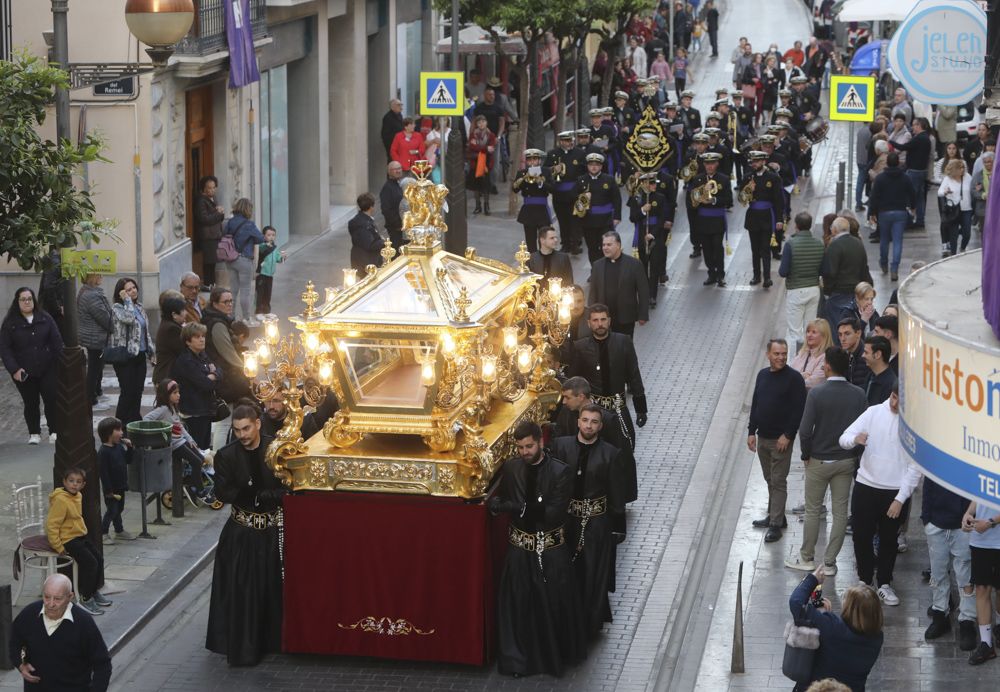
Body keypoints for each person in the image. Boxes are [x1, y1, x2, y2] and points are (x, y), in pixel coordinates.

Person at [488, 421, 584, 677]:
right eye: (520, 447)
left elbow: (554, 513)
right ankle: (519, 661)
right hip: (519, 552)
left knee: (550, 605)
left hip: (549, 552)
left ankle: (552, 657)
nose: (524, 452)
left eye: (529, 446)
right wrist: (503, 504)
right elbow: (504, 499)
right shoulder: (511, 468)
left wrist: (515, 507)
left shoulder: (560, 472)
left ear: (540, 441)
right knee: (519, 606)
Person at [206, 402, 286, 666]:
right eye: (237, 430)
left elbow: (289, 487)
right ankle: (245, 647)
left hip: (274, 532)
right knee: (244, 592)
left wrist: (263, 496)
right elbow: (222, 492)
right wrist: (255, 496)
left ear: (258, 424)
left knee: (272, 588)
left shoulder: (276, 448)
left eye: (246, 428)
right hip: (243, 534)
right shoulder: (227, 456)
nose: (242, 434)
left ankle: (273, 641)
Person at [786, 348, 868, 575]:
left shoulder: (816, 394)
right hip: (845, 460)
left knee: (813, 510)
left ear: (828, 366)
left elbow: (805, 430)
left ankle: (807, 557)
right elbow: (864, 428)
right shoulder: (859, 394)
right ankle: (830, 563)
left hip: (819, 460)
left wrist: (805, 454)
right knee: (840, 512)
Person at [840, 385, 920, 606]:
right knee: (861, 536)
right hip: (866, 485)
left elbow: (915, 467)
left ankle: (884, 583)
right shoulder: (874, 412)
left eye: (900, 400)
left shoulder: (914, 424)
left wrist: (900, 498)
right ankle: (864, 581)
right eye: (893, 397)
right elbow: (844, 437)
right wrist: (856, 439)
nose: (895, 404)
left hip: (893, 491)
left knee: (888, 539)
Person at [551, 404, 624, 636]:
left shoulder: (610, 454)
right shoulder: (561, 447)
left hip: (596, 523)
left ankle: (590, 622)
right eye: (585, 420)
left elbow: (616, 493)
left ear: (600, 426)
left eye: (594, 422)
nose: (588, 425)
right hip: (567, 520)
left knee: (593, 572)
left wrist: (617, 527)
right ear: (578, 422)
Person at [8, 574, 111, 691]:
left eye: (57, 599)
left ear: (70, 597)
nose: (51, 604)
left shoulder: (83, 622)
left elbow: (102, 664)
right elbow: (14, 642)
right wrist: (20, 665)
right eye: (47, 597)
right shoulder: (29, 615)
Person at [747, 338, 806, 542]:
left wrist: (788, 435)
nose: (781, 357)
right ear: (768, 355)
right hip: (762, 438)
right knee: (769, 478)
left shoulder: (794, 379)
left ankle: (775, 525)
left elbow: (799, 409)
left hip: (780, 440)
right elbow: (756, 403)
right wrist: (751, 431)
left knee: (778, 480)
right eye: (777, 354)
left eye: (784, 354)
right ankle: (776, 516)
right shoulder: (762, 375)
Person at [788, 566, 884, 691]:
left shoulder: (831, 626)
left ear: (850, 608)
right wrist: (826, 617)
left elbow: (796, 603)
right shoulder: (877, 638)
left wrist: (812, 579)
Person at [567, 304, 647, 454]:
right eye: (595, 320)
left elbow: (634, 375)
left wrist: (641, 409)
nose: (600, 324)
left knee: (626, 448)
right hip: (591, 411)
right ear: (589, 323)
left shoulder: (623, 342)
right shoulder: (580, 347)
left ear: (609, 321)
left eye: (603, 319)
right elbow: (574, 380)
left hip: (618, 408)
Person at [922, 475, 979, 649]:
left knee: (965, 576)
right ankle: (940, 615)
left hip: (963, 525)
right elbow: (928, 485)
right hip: (936, 523)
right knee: (938, 573)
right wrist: (927, 519)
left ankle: (967, 621)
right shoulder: (936, 458)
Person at [46, 467, 112, 615]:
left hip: (79, 535)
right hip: (68, 539)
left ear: (83, 485)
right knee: (90, 563)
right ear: (64, 481)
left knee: (99, 559)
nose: (74, 484)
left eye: (78, 482)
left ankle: (93, 592)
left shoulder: (78, 495)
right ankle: (85, 598)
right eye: (71, 481)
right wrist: (58, 545)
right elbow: (52, 524)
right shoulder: (61, 500)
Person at [1, 287, 62, 445]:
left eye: (29, 298)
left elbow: (56, 341)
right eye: (23, 299)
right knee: (31, 402)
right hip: (24, 370)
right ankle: (34, 432)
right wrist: (14, 369)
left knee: (51, 399)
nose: (27, 302)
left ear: (34, 300)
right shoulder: (10, 323)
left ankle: (54, 430)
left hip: (47, 368)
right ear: (18, 301)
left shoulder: (45, 318)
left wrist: (58, 363)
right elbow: (5, 349)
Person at [145, 378, 213, 504]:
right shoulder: (163, 409)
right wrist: (162, 431)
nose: (178, 395)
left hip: (181, 441)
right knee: (196, 461)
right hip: (175, 445)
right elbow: (146, 419)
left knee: (200, 458)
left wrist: (190, 439)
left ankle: (192, 481)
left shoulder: (172, 407)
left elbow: (180, 427)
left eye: (178, 392)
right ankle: (198, 490)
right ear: (166, 395)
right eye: (175, 393)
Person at [108, 277, 153, 427]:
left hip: (139, 355)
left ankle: (134, 423)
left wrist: (151, 352)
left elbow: (146, 332)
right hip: (125, 356)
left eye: (134, 288)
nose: (133, 291)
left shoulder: (139, 307)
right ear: (121, 293)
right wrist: (126, 300)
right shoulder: (117, 308)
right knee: (127, 392)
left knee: (137, 392)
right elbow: (128, 318)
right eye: (128, 290)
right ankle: (119, 425)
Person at [588, 231, 649, 337]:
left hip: (626, 318)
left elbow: (643, 291)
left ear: (618, 245)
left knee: (624, 348)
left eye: (609, 245)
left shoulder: (634, 264)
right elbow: (593, 292)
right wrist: (590, 315)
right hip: (603, 319)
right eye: (603, 245)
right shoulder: (597, 266)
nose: (605, 248)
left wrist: (643, 314)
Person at [961, 500, 1000, 664]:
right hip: (980, 540)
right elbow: (978, 494)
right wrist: (968, 514)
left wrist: (991, 522)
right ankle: (986, 643)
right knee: (982, 589)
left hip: (993, 534)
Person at [171, 322, 221, 449]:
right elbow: (205, 384)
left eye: (203, 336)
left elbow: (220, 371)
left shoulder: (202, 355)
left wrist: (213, 374)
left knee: (204, 446)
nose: (202, 339)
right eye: (197, 337)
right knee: (197, 447)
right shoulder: (186, 360)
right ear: (188, 342)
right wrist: (212, 374)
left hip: (205, 408)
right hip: (194, 410)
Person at [779, 211, 824, 351]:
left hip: (796, 290)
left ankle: (794, 364)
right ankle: (809, 361)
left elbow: (783, 272)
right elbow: (823, 270)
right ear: (810, 226)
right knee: (810, 330)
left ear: (796, 225)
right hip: (814, 290)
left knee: (795, 332)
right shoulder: (819, 244)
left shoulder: (790, 244)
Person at [821, 217, 873, 334]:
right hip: (856, 292)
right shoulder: (858, 243)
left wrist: (827, 291)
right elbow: (864, 267)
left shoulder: (834, 246)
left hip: (838, 293)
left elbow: (830, 272)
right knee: (853, 327)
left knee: (837, 328)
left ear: (834, 230)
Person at [741, 150, 785, 287]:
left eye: (757, 161)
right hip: (753, 216)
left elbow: (779, 200)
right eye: (753, 161)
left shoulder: (773, 177)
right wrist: (748, 191)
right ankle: (756, 276)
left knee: (765, 249)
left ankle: (767, 277)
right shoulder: (748, 177)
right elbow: (741, 200)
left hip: (767, 216)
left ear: (763, 162)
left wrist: (779, 219)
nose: (754, 164)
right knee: (755, 250)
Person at [628, 173, 673, 307]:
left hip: (656, 236)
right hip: (641, 235)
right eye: (651, 183)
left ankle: (653, 296)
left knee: (654, 267)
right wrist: (642, 210)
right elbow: (632, 218)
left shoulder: (660, 197)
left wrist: (653, 234)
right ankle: (644, 294)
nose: (654, 185)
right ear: (643, 184)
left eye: (655, 183)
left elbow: (662, 218)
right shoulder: (636, 198)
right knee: (643, 267)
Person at [690, 152, 734, 287]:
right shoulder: (698, 179)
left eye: (712, 163)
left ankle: (720, 275)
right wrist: (704, 190)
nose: (709, 166)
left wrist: (714, 200)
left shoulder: (724, 179)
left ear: (717, 164)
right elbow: (693, 199)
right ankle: (711, 274)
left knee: (717, 247)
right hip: (703, 220)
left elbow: (729, 200)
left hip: (717, 219)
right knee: (707, 249)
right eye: (707, 164)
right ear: (704, 164)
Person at [201, 287, 250, 404]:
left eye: (231, 301)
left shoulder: (220, 319)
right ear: (215, 304)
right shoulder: (217, 324)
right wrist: (248, 372)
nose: (230, 304)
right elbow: (228, 353)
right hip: (225, 376)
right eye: (225, 302)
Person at [221, 198, 265, 325]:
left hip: (230, 259)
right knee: (245, 291)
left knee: (233, 290)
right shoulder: (249, 224)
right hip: (244, 259)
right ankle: (246, 318)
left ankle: (231, 317)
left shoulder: (229, 222)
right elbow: (260, 238)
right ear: (248, 209)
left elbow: (224, 235)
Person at [575, 153, 622, 264]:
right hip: (588, 220)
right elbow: (574, 199)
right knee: (592, 248)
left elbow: (617, 199)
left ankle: (607, 270)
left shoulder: (609, 179)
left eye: (597, 164)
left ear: (601, 166)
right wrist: (583, 199)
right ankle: (595, 271)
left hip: (605, 220)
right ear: (587, 166)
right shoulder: (581, 180)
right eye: (591, 164)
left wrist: (617, 216)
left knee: (605, 247)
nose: (594, 167)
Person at [96, 416, 136, 544]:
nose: (122, 432)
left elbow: (128, 460)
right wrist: (108, 490)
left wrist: (130, 448)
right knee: (112, 510)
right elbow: (103, 473)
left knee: (119, 509)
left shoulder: (119, 447)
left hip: (121, 485)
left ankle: (119, 530)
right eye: (118, 430)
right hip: (111, 489)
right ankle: (103, 533)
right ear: (108, 433)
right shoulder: (103, 452)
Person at [546, 131, 586, 255]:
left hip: (574, 192)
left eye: (570, 141)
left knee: (574, 219)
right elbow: (545, 170)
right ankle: (565, 244)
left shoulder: (580, 153)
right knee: (562, 220)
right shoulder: (553, 154)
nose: (569, 143)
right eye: (566, 141)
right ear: (560, 142)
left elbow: (584, 171)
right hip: (559, 193)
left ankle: (575, 244)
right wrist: (553, 169)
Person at [77, 274, 112, 408]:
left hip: (93, 335)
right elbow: (104, 317)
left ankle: (97, 391)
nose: (102, 277)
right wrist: (113, 327)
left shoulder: (87, 291)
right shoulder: (92, 295)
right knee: (94, 367)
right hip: (95, 336)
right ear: (94, 277)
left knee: (97, 365)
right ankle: (91, 398)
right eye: (99, 275)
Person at [513, 148, 553, 250]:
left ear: (539, 160)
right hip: (528, 211)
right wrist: (522, 180)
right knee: (530, 241)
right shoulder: (522, 173)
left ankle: (545, 262)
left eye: (535, 159)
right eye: (529, 160)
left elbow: (553, 189)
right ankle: (533, 262)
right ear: (526, 161)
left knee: (544, 240)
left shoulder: (546, 171)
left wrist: (540, 182)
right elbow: (515, 189)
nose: (532, 162)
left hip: (542, 210)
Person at [261, 389, 338, 440]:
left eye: (276, 401)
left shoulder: (304, 421)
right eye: (267, 401)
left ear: (286, 401)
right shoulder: (261, 423)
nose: (271, 406)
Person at [938, 158, 974, 257]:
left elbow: (973, 188)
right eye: (959, 168)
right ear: (954, 169)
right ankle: (953, 255)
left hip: (966, 209)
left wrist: (976, 188)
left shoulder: (968, 177)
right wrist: (945, 192)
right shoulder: (947, 179)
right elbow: (940, 192)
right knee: (953, 236)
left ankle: (962, 247)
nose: (962, 169)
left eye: (963, 167)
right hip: (952, 210)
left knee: (967, 233)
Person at [194, 175, 225, 287]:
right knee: (208, 262)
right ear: (204, 188)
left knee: (213, 262)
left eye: (213, 187)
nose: (211, 190)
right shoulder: (201, 201)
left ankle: (212, 283)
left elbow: (218, 217)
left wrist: (221, 213)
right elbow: (204, 219)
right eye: (209, 188)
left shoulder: (213, 199)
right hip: (208, 236)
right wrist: (218, 213)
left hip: (215, 235)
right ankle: (208, 284)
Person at [467, 115, 497, 215]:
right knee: (476, 186)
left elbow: (491, 148)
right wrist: (485, 148)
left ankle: (486, 206)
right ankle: (477, 206)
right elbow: (472, 147)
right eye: (479, 122)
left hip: (487, 163)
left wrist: (479, 147)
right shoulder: (473, 134)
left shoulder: (491, 135)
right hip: (475, 163)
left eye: (483, 121)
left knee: (486, 186)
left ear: (486, 122)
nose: (481, 124)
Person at [153, 294, 186, 386]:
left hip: (166, 377)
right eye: (183, 310)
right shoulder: (172, 329)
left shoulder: (168, 324)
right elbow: (184, 351)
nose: (185, 313)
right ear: (174, 314)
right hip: (167, 377)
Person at [348, 192, 386, 272]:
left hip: (361, 260)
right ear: (371, 207)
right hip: (367, 262)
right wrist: (383, 242)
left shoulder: (358, 221)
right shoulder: (364, 224)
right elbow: (370, 245)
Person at [791, 319, 833, 391]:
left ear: (824, 336)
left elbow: (815, 382)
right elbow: (789, 374)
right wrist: (804, 375)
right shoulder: (802, 353)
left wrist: (796, 377)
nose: (809, 335)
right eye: (808, 331)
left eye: (814, 332)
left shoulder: (826, 357)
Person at [254, 225, 285, 318]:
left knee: (268, 293)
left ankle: (266, 311)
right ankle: (258, 311)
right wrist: (266, 245)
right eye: (269, 235)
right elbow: (261, 250)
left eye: (273, 235)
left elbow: (278, 259)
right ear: (264, 236)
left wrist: (282, 257)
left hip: (270, 274)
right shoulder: (261, 246)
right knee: (260, 293)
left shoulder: (274, 247)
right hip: (262, 273)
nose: (271, 237)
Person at [862, 335, 896, 406]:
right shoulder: (870, 375)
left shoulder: (890, 385)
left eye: (866, 352)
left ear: (877, 355)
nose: (863, 355)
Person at [837, 318, 871, 389]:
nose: (843, 339)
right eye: (840, 334)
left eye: (847, 334)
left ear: (858, 333)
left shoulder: (866, 356)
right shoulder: (845, 355)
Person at [379, 161, 406, 250]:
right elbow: (386, 210)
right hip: (396, 229)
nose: (398, 171)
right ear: (389, 172)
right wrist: (398, 225)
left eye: (400, 168)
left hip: (403, 227)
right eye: (395, 169)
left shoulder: (398, 185)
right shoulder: (387, 188)